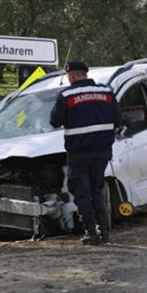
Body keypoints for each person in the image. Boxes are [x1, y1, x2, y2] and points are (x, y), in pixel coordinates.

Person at [50, 60, 122, 245]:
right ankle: (104, 231)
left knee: (81, 192)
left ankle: (91, 231)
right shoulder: (106, 92)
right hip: (103, 152)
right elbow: (118, 119)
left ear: (72, 75)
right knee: (96, 189)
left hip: (79, 153)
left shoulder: (66, 95)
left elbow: (54, 121)